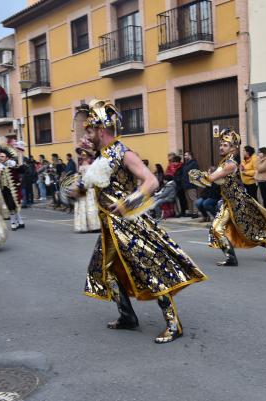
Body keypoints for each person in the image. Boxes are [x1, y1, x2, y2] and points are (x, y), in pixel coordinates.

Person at [76, 99, 207, 344]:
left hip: (128, 224)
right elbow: (94, 186)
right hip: (109, 228)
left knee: (151, 268)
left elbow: (151, 182)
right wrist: (77, 190)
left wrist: (128, 203)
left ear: (101, 130)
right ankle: (127, 316)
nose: (87, 136)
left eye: (90, 131)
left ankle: (173, 324)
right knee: (107, 271)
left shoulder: (124, 153)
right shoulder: (101, 156)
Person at [189, 128, 266, 266]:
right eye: (220, 144)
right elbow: (211, 179)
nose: (221, 147)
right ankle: (231, 258)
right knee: (216, 229)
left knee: (248, 233)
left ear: (233, 148)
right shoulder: (224, 162)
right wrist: (201, 176)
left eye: (225, 145)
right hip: (227, 202)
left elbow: (211, 178)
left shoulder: (230, 164)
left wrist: (197, 175)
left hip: (239, 203)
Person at [0, 141, 26, 231]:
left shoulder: (12, 164)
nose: (0, 158)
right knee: (11, 206)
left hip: (14, 189)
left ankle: (13, 223)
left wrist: (20, 155)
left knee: (12, 206)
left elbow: (22, 170)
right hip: (4, 189)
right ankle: (20, 222)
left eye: (2, 156)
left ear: (7, 158)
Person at [72, 145, 100, 233]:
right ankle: (84, 226)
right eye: (81, 153)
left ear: (88, 154)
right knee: (83, 207)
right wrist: (77, 183)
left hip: (90, 189)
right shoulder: (80, 165)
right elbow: (79, 176)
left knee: (91, 208)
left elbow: (94, 176)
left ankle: (94, 226)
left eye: (84, 153)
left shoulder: (93, 164)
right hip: (82, 189)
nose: (82, 155)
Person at [181, 151, 200, 218]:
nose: (184, 157)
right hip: (185, 184)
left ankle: (195, 212)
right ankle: (191, 212)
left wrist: (193, 182)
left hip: (191, 184)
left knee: (193, 198)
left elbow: (196, 174)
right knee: (188, 199)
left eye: (186, 155)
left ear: (190, 155)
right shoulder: (186, 164)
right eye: (184, 155)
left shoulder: (194, 163)